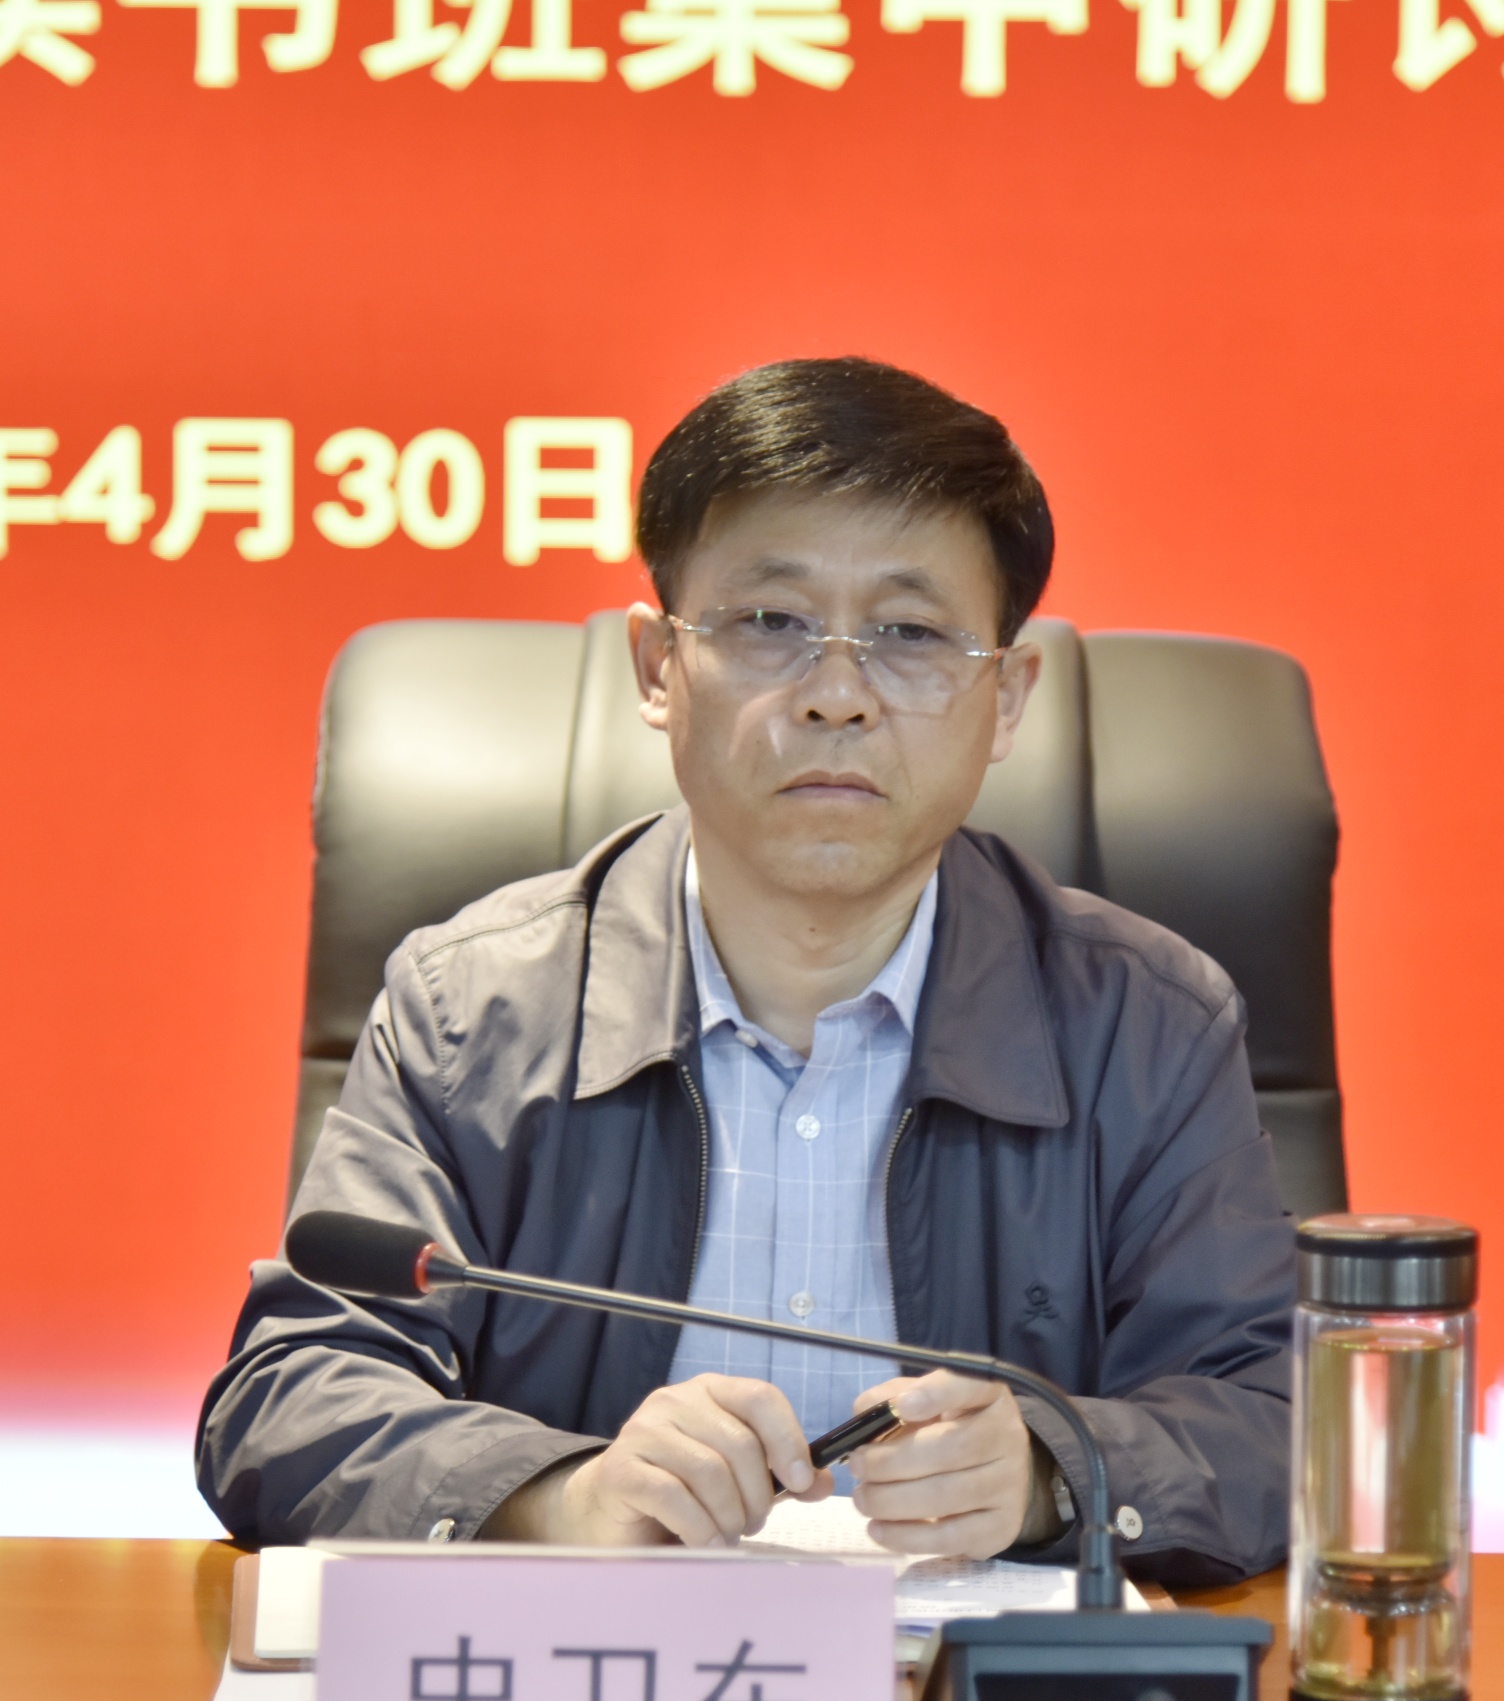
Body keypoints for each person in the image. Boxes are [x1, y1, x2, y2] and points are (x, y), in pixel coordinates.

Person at [198, 357, 1295, 1584]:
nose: (836, 696)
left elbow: (1275, 1415)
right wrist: (563, 1495)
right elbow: (290, 1397)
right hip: (597, 1689)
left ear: (1005, 697)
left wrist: (1051, 1472)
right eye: (771, 623)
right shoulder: (470, 1011)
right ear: (656, 668)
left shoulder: (1145, 1028)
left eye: (909, 634)